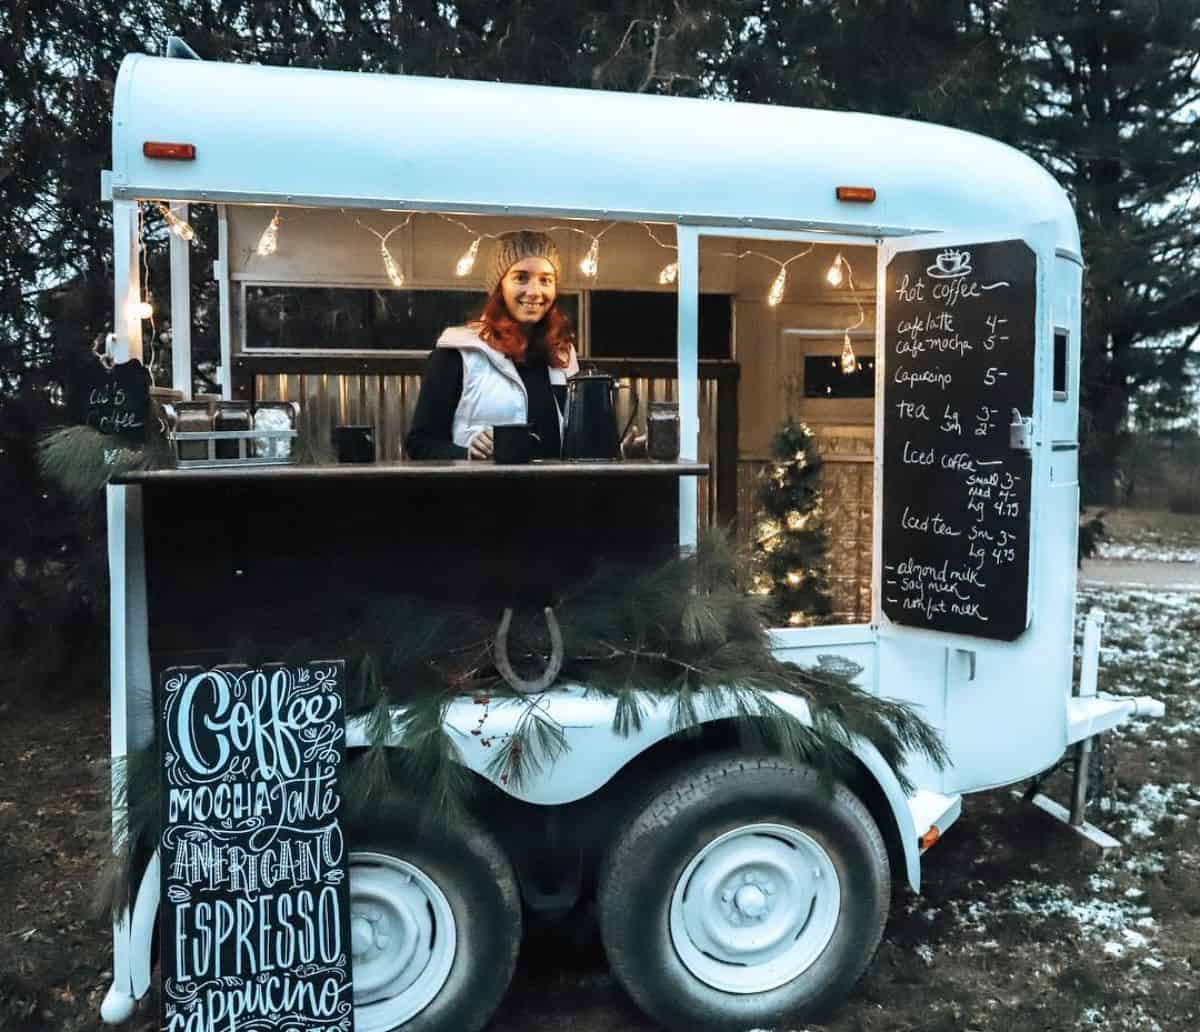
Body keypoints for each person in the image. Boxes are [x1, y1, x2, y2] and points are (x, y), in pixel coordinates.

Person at [404, 231, 579, 460]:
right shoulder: (459, 351)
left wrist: (624, 451)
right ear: (499, 286)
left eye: (546, 280)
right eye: (521, 278)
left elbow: (577, 445)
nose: (535, 292)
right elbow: (420, 443)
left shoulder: (562, 356)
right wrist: (467, 453)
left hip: (554, 495)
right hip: (483, 493)